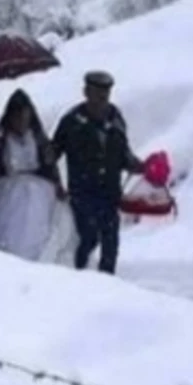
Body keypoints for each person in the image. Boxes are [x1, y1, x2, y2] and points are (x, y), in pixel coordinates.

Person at [51, 70, 143, 274]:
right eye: (97, 93)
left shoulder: (115, 117)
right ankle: (79, 279)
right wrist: (55, 182)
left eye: (106, 93)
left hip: (109, 193)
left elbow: (123, 153)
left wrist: (139, 166)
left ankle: (107, 285)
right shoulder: (71, 121)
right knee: (87, 239)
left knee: (110, 243)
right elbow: (52, 154)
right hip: (83, 194)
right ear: (86, 92)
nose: (102, 99)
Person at [0, 90, 64, 262]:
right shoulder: (0, 138)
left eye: (24, 116)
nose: (21, 120)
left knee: (37, 227)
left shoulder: (38, 138)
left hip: (39, 191)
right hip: (9, 190)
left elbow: (50, 165)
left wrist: (58, 185)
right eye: (17, 116)